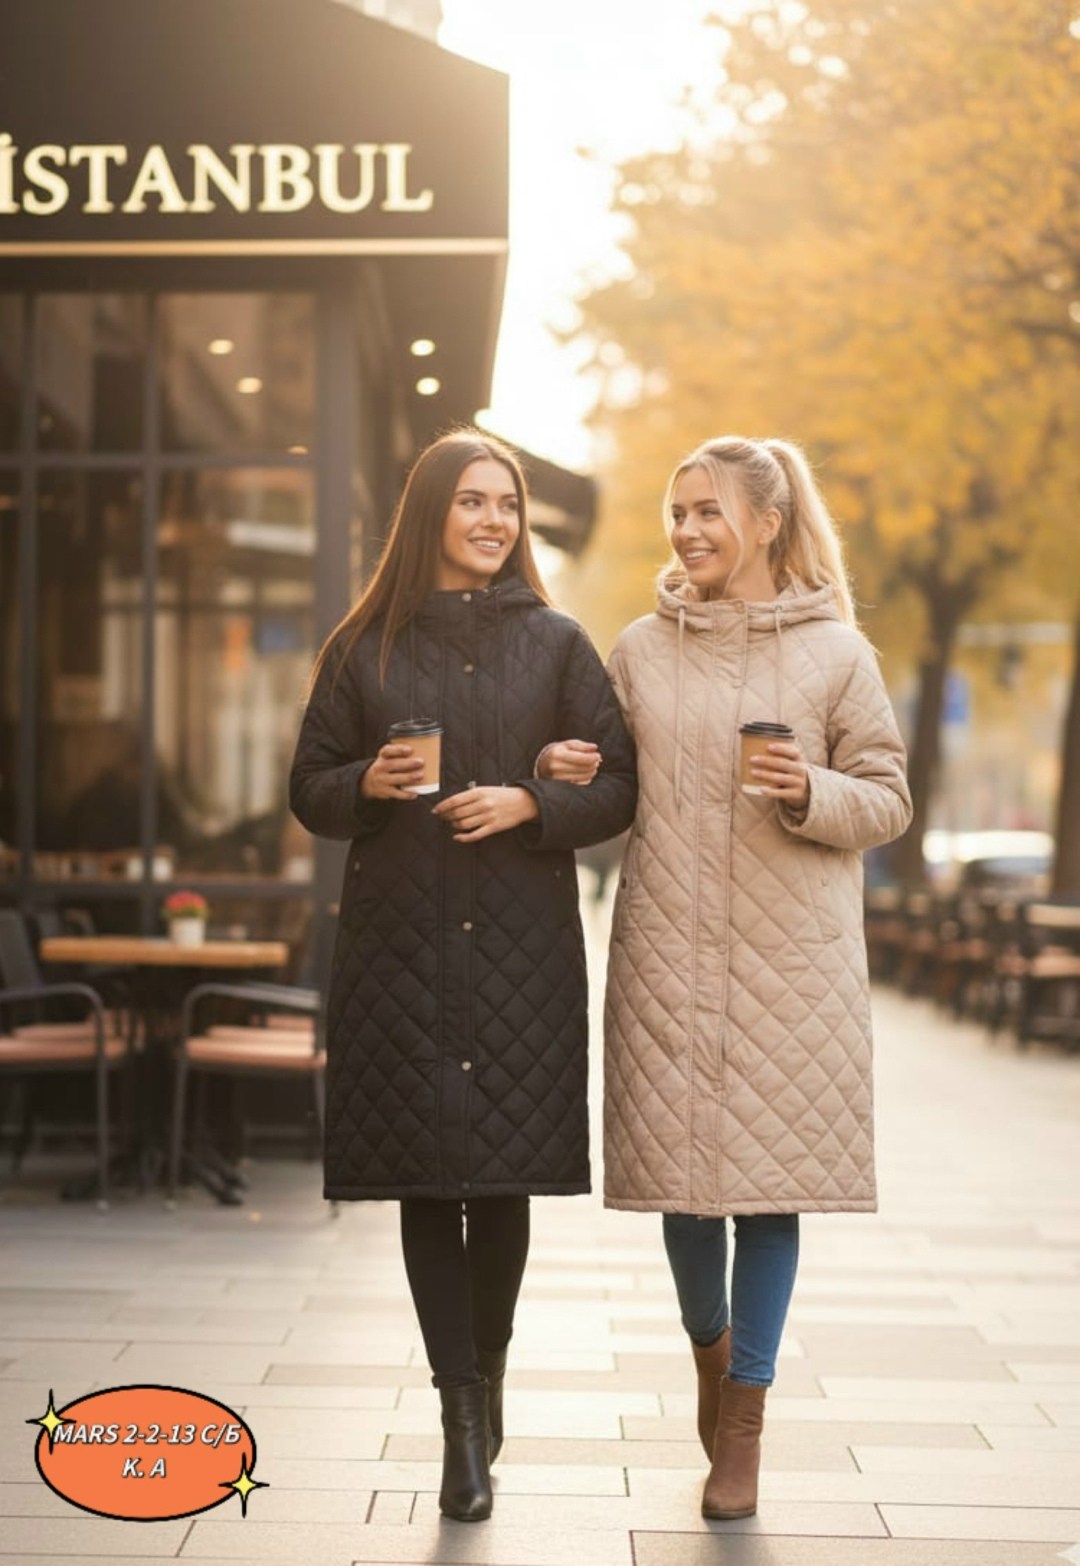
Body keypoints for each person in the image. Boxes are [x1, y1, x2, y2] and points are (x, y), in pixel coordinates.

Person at [541, 436, 912, 1520]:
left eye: (709, 512)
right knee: (685, 1191)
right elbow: (611, 782)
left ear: (766, 522)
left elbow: (887, 797)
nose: (690, 531)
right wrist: (569, 772)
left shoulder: (840, 654)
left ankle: (742, 1421)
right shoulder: (640, 652)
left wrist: (812, 790)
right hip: (667, 949)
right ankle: (711, 1355)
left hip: (796, 963)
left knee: (768, 1192)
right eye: (678, 512)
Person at [288, 429, 636, 1523]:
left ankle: (484, 1380)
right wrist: (370, 783)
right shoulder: (366, 647)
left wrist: (536, 803)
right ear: (430, 511)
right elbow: (308, 786)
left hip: (524, 952)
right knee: (430, 1181)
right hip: (402, 948)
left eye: (509, 504)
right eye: (475, 502)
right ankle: (458, 1416)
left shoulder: (561, 644)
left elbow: (619, 786)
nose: (495, 521)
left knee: (505, 1178)